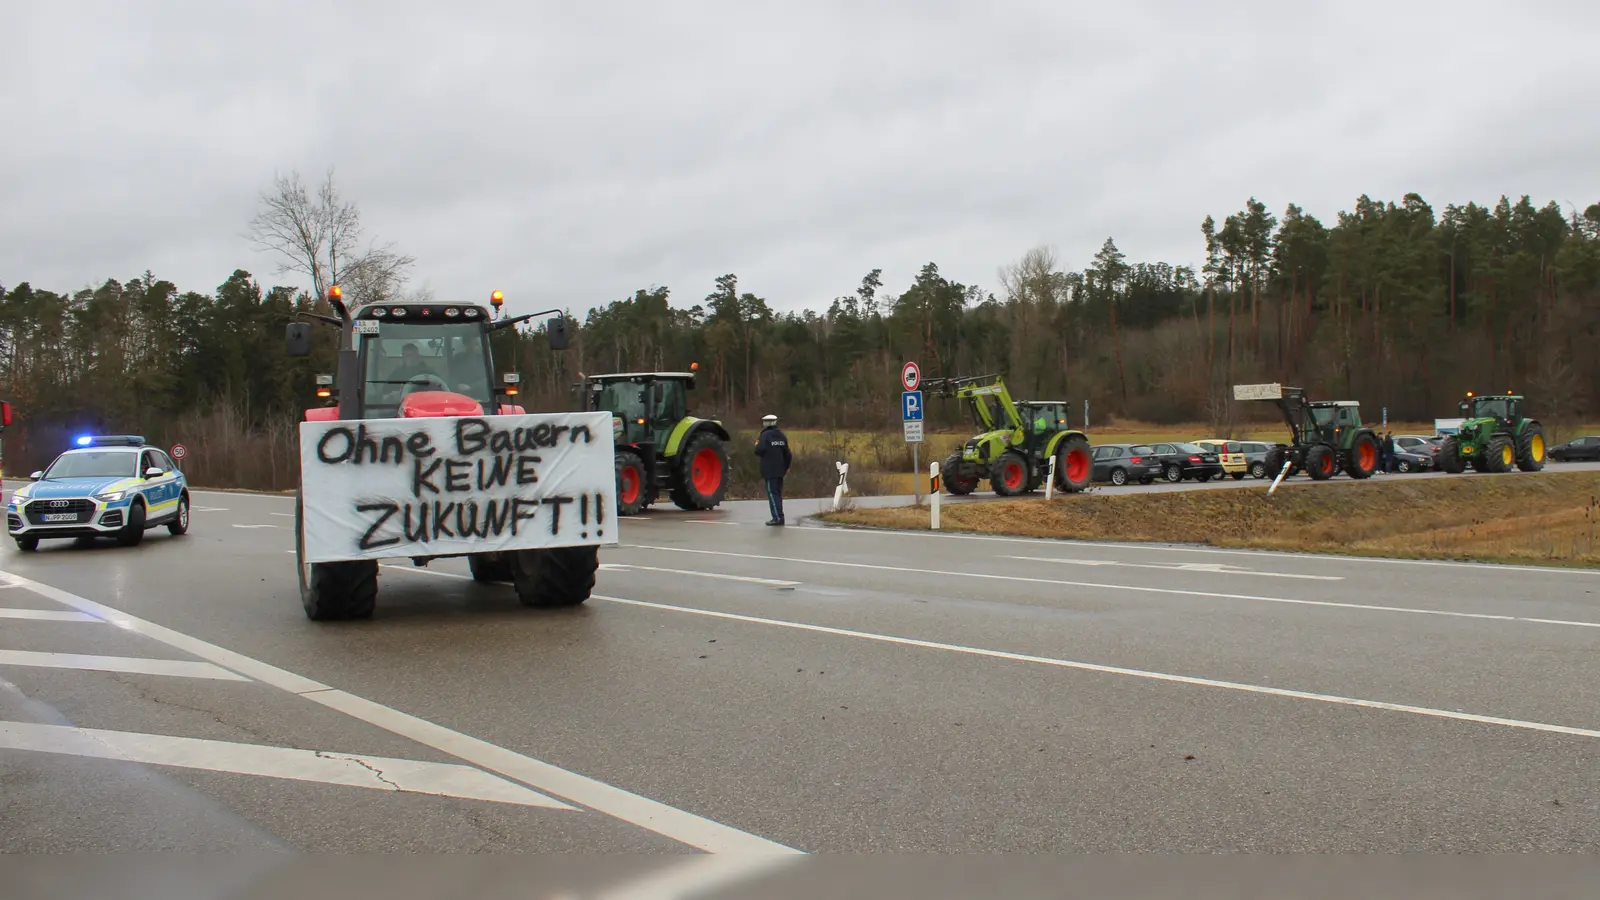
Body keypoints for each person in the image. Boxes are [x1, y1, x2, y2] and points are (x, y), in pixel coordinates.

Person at [754, 413, 792, 526]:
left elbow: (759, 451)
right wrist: (786, 467)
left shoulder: (765, 435)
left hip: (770, 470)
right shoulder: (781, 435)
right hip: (780, 470)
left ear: (765, 423)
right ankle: (780, 516)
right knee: (778, 494)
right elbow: (788, 454)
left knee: (772, 493)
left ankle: (777, 518)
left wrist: (756, 445)